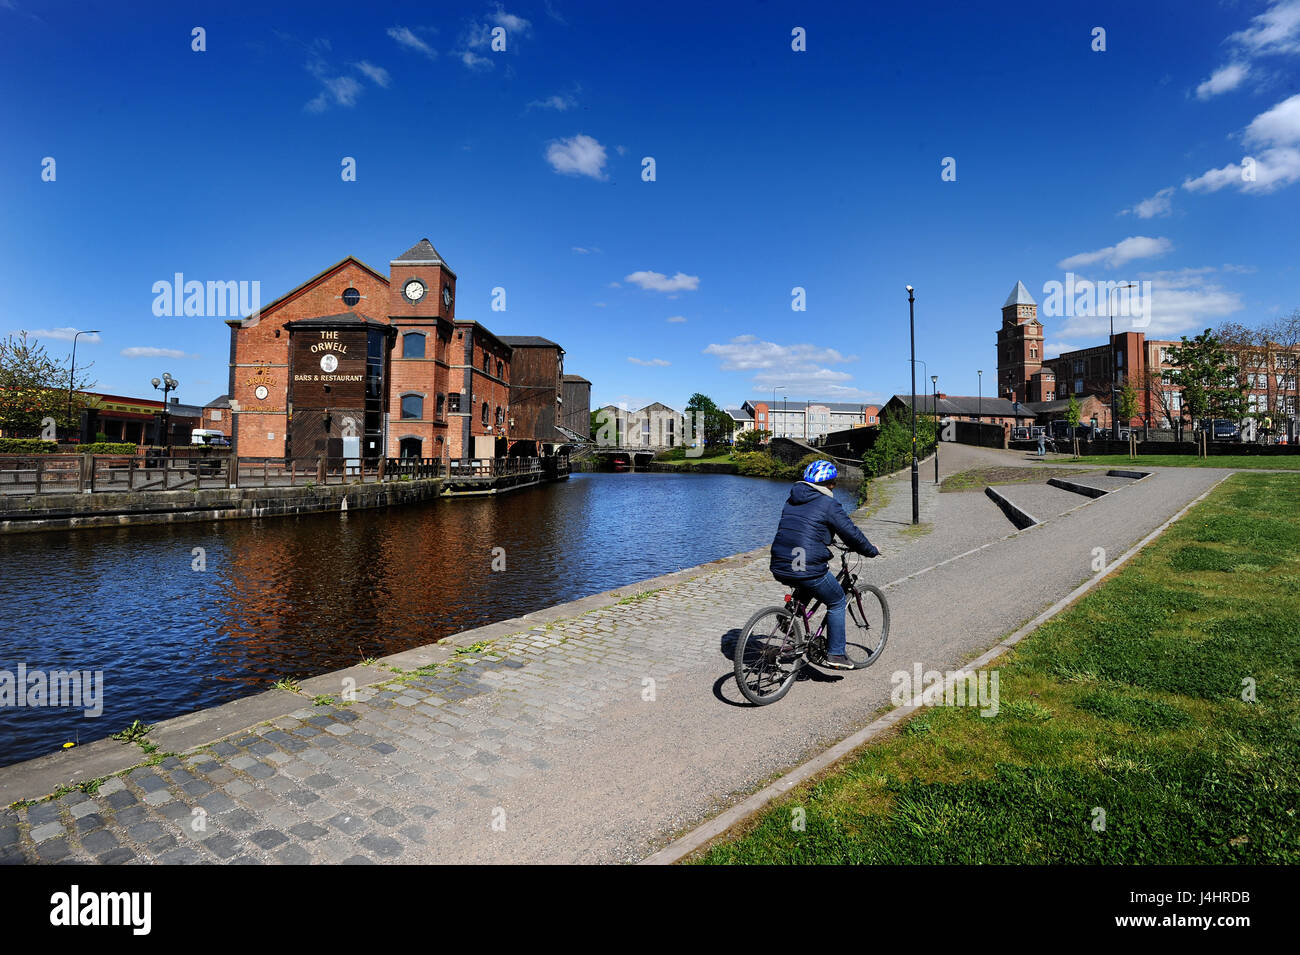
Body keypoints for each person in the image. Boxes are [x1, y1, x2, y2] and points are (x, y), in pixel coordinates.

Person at [769, 459, 880, 670]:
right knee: (837, 599)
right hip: (807, 564)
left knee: (804, 578)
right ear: (829, 484)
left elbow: (803, 528)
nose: (835, 487)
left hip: (780, 561)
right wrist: (870, 550)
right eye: (834, 483)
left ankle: (790, 614)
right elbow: (851, 533)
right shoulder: (827, 504)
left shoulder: (792, 500)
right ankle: (836, 654)